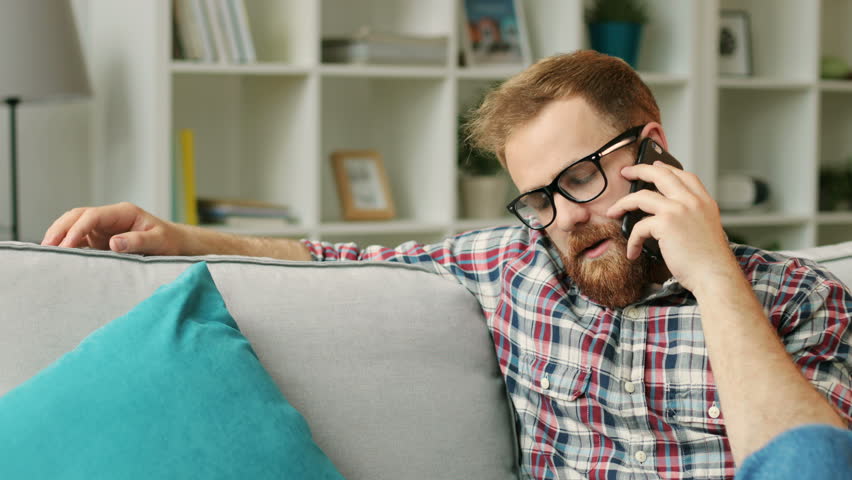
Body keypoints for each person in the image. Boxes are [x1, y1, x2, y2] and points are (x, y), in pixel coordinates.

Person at [41, 51, 851, 479]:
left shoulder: (800, 299)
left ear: (652, 149)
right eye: (539, 197)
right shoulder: (517, 267)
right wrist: (178, 234)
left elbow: (810, 466)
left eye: (580, 178)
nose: (566, 218)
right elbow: (338, 258)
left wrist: (713, 279)